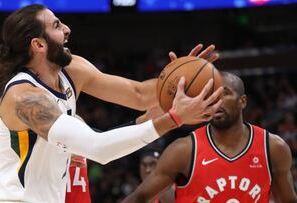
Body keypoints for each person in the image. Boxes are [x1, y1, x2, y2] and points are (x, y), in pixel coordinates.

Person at [0, 4, 223, 202]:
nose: (67, 29)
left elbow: (139, 94)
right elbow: (97, 148)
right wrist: (173, 119)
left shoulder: (72, 71)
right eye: (56, 26)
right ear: (38, 45)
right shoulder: (23, 97)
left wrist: (182, 80)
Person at [123, 72, 297, 203]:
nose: (217, 101)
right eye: (211, 95)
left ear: (242, 101)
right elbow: (140, 197)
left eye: (225, 93)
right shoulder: (184, 150)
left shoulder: (273, 148)